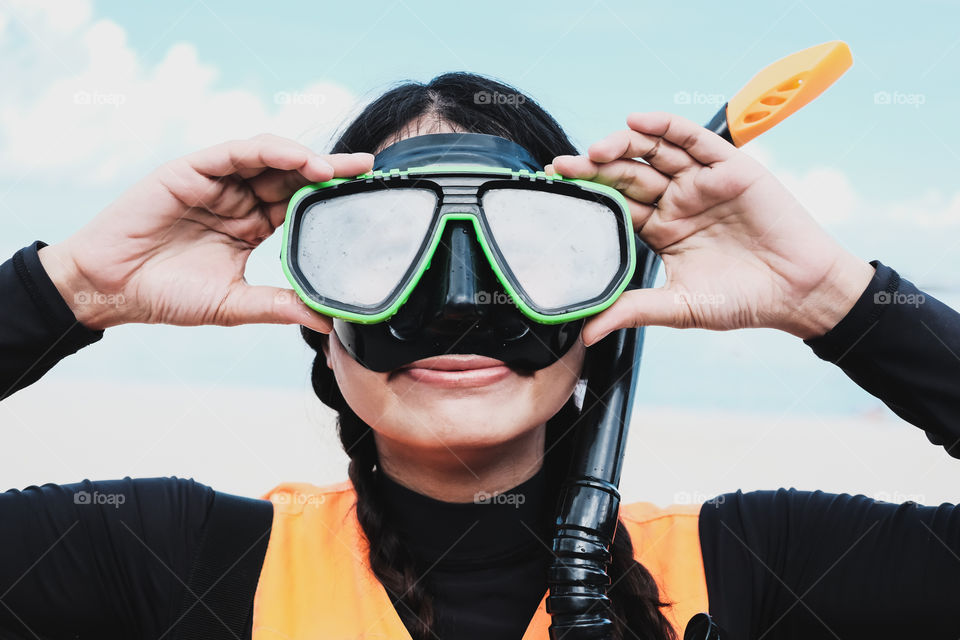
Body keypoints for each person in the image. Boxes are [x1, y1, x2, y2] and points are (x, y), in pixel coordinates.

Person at [1, 72, 958, 640]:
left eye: (530, 249)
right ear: (313, 314)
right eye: (381, 249)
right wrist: (70, 289)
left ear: (607, 303)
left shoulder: (754, 568)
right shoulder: (164, 561)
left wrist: (838, 300)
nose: (458, 303)